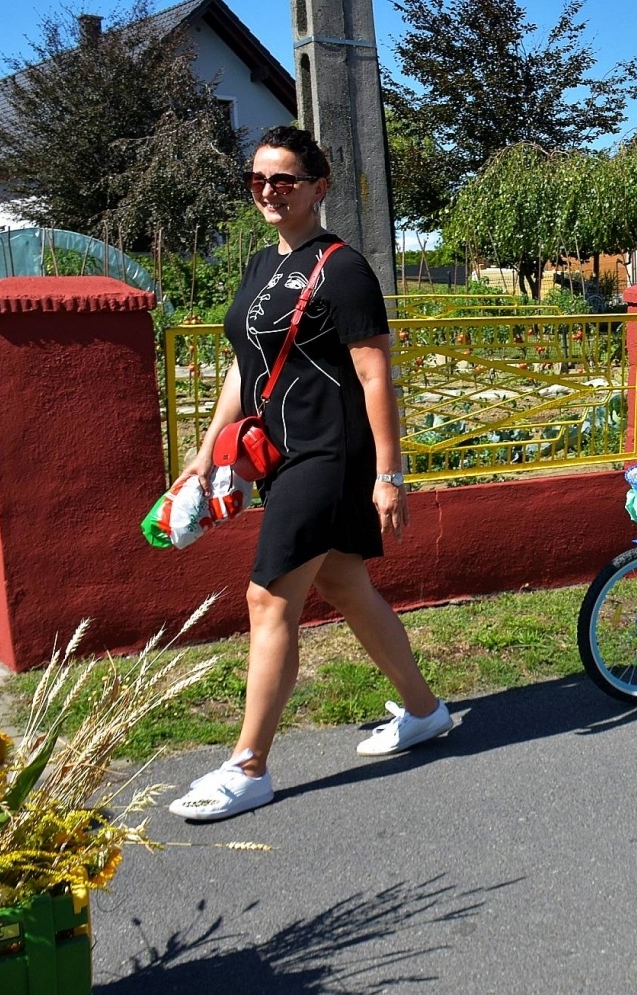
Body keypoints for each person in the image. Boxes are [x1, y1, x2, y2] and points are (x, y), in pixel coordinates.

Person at [169, 127, 451, 820]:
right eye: (258, 179)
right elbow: (246, 364)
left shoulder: (343, 267)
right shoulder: (261, 265)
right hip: (278, 452)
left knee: (269, 598)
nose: (269, 190)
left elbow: (373, 371)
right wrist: (207, 449)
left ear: (318, 188)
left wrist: (390, 473)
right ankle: (424, 710)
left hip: (330, 453)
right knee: (343, 581)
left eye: (285, 179)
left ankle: (249, 765)